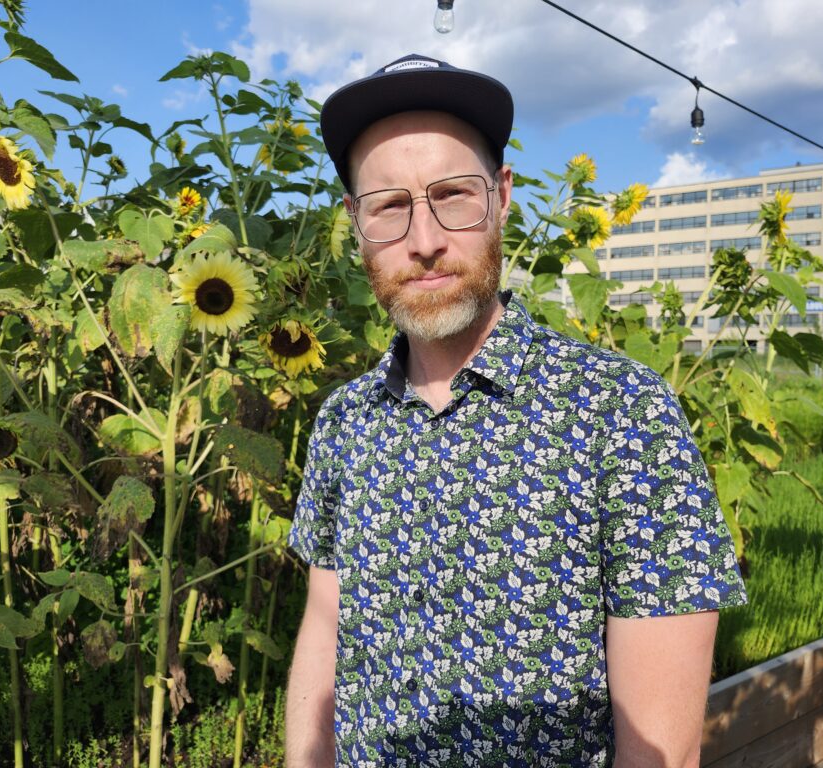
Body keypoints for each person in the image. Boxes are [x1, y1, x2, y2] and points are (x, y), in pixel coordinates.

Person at [284, 53, 747, 768]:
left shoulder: (621, 414)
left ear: (501, 196)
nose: (425, 241)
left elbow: (661, 750)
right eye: (389, 206)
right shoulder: (345, 420)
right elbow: (325, 626)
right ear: (356, 221)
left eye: (453, 195)